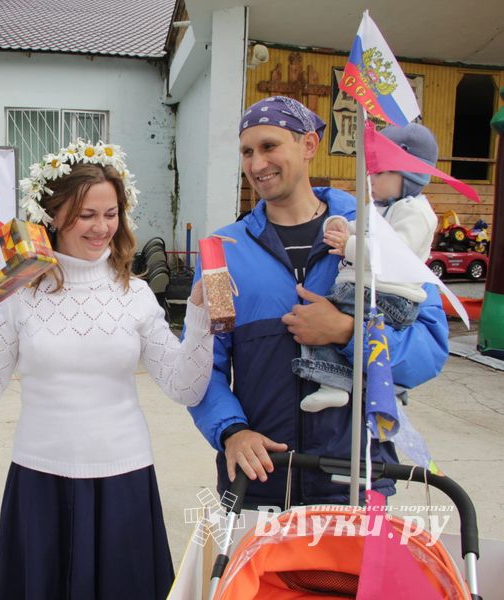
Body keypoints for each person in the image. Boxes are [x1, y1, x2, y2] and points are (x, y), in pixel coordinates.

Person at [0, 140, 214, 600]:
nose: (102, 227)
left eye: (110, 214)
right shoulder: (19, 294)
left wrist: (199, 318)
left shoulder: (134, 294)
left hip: (124, 479)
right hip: (39, 480)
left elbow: (185, 387)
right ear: (52, 216)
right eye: (87, 215)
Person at [187, 96, 448, 507]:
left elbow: (428, 351)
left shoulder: (376, 233)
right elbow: (203, 365)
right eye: (247, 152)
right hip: (260, 477)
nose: (257, 164)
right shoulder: (225, 250)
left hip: (356, 475)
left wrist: (346, 331)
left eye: (270, 147)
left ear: (308, 145)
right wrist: (231, 431)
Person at [293, 123, 440, 412]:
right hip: (372, 290)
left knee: (320, 317)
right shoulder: (383, 208)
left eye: (382, 171)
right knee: (325, 317)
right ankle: (388, 388)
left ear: (409, 175)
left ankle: (333, 382)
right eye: (371, 171)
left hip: (390, 296)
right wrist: (337, 226)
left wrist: (349, 245)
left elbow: (394, 254)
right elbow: (360, 228)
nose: (372, 178)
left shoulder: (416, 213)